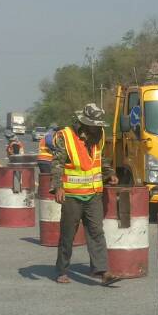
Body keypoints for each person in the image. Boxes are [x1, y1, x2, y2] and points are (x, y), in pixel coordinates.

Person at [50, 104, 118, 286]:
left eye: (99, 125)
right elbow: (57, 163)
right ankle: (62, 270)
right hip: (72, 196)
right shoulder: (66, 136)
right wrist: (58, 187)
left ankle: (102, 271)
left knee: (96, 232)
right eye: (93, 125)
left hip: (93, 194)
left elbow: (99, 158)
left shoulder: (99, 135)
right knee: (68, 234)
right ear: (84, 123)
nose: (97, 128)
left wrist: (110, 173)